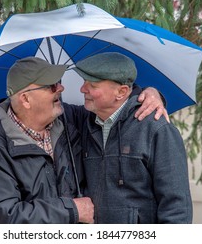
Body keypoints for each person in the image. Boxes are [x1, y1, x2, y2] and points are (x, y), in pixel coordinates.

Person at [0, 57, 167, 224]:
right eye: (51, 86)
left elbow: (113, 102)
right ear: (25, 99)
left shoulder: (73, 120)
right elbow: (2, 218)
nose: (60, 88)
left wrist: (147, 94)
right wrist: (72, 210)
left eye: (58, 81)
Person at [73, 52, 193, 224]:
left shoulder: (156, 128)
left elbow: (176, 205)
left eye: (92, 84)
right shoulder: (82, 123)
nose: (82, 89)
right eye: (84, 82)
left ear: (121, 92)